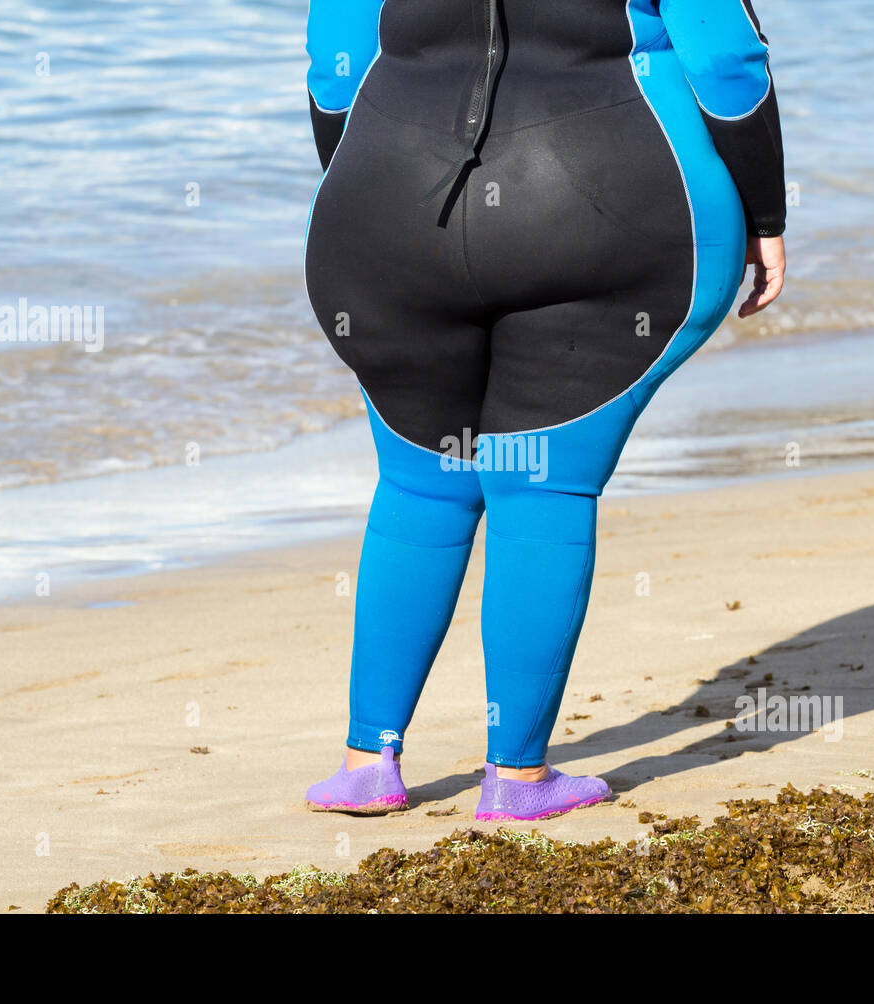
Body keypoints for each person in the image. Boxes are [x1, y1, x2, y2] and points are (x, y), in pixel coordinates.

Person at [301, 0, 786, 820]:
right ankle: (517, 776)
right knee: (544, 482)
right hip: (610, 207)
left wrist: (381, 202)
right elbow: (727, 67)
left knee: (422, 483)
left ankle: (366, 762)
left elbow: (334, 73)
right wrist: (766, 215)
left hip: (387, 208)